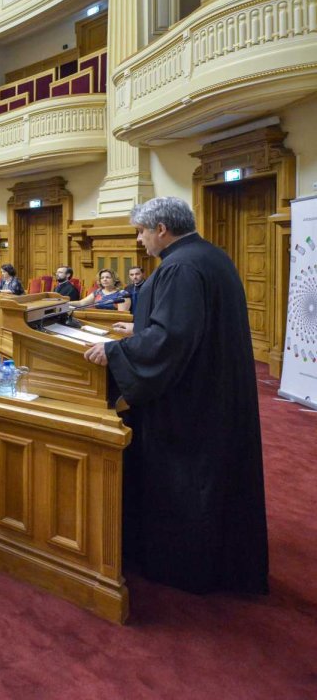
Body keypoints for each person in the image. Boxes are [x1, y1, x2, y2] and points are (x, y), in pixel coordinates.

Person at [83, 197, 267, 595]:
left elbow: (172, 340)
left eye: (141, 231)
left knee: (190, 482)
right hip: (215, 386)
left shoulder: (180, 267)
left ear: (162, 229)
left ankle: (186, 567)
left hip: (193, 401)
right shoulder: (209, 255)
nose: (139, 238)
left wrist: (116, 350)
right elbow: (190, 323)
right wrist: (140, 331)